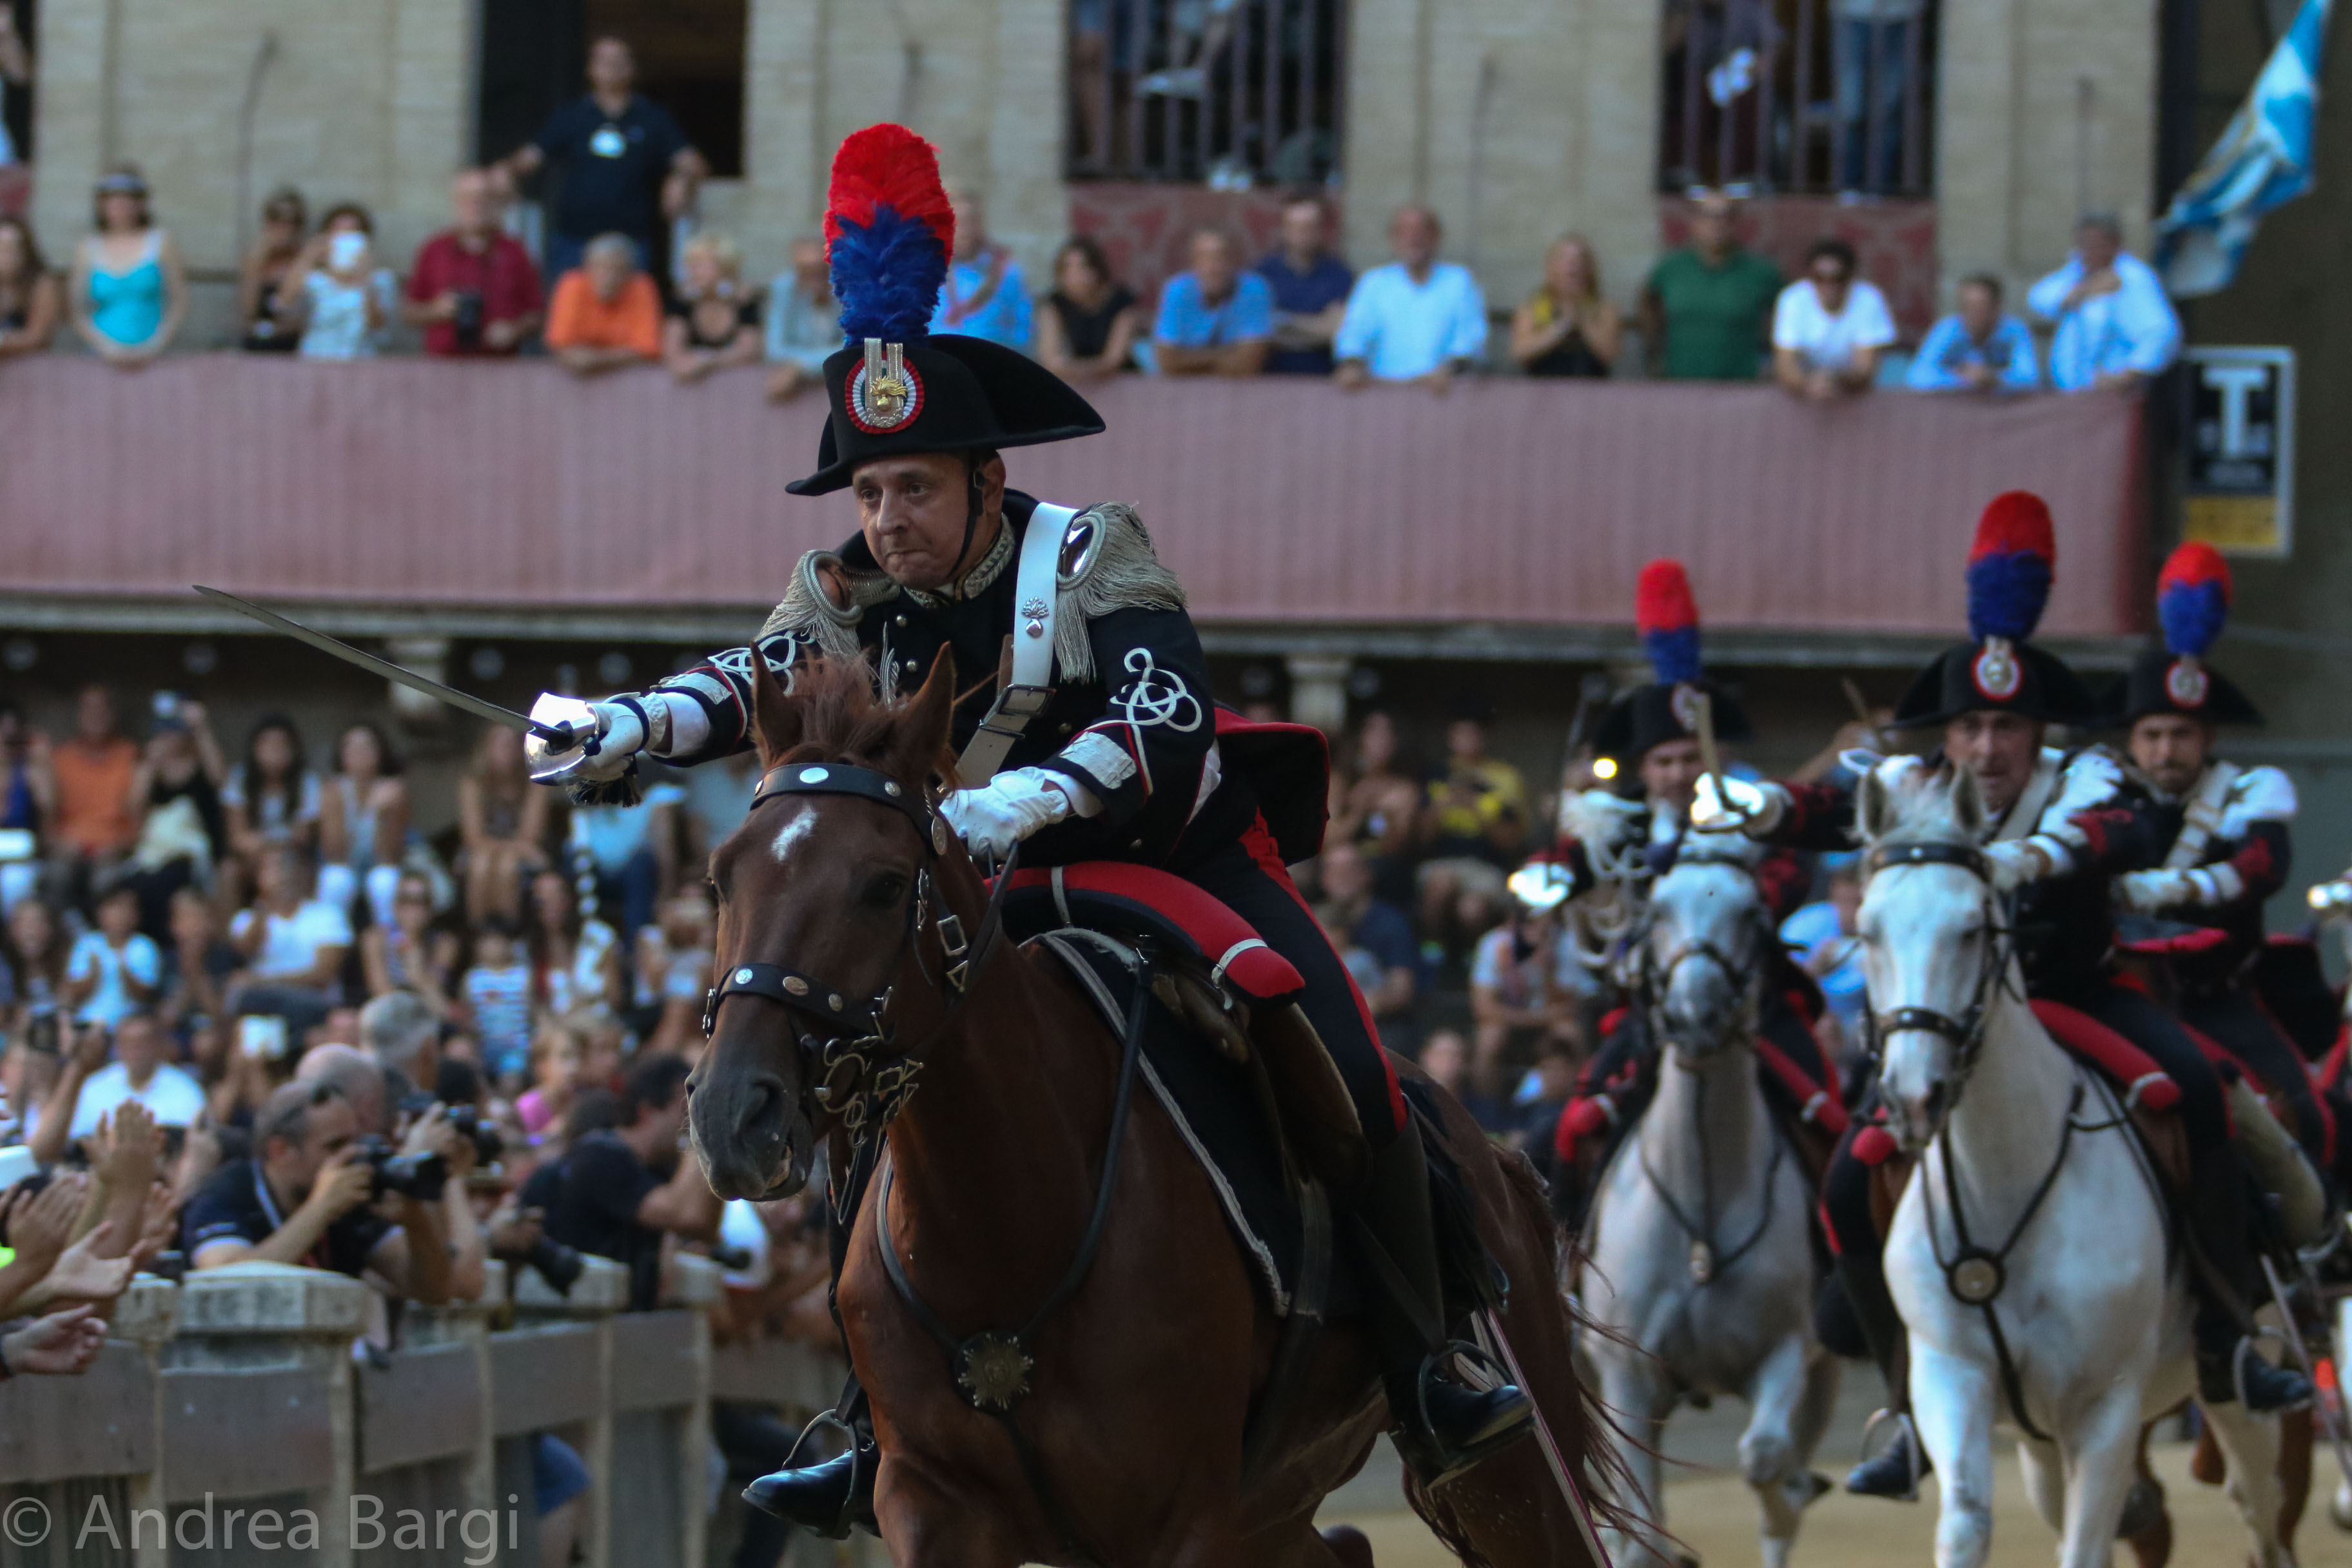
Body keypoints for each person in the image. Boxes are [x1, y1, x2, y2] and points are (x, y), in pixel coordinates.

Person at [533, 123, 1533, 1525]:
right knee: (866, 1069)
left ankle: (1438, 1355)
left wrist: (1024, 797)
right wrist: (619, 729)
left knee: (1340, 1044)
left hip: (1157, 858)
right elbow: (745, 682)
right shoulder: (839, 585)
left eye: (914, 488)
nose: (886, 519)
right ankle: (874, 1413)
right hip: (967, 888)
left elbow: (1161, 712)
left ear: (987, 484)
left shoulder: (1093, 548)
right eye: (869, 491)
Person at [1693, 492, 2315, 1496]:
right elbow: (1824, 806)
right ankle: (1903, 1406)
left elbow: (2120, 838)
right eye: (1974, 724)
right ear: (1953, 729)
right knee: (1851, 1181)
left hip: (2079, 996)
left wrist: (2020, 860)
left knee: (2197, 1091)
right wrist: (1753, 803)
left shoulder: (2088, 775)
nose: (1989, 746)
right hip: (1950, 1023)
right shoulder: (1915, 781)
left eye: (2010, 726)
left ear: (2038, 730)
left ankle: (2227, 1341)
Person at [2104, 544, 2330, 1168]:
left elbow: (2263, 866)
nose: (2166, 749)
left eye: (2182, 735)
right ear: (2132, 739)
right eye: (2152, 735)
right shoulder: (2105, 797)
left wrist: (2160, 892)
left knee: (2307, 1120)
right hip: (2124, 994)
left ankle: (2298, 1252)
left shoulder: (2249, 791)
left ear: (2207, 738)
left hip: (2220, 998)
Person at [181, 1079, 453, 1304]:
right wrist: (321, 1209)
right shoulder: (227, 1193)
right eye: (335, 1146)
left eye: (354, 1141)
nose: (352, 1156)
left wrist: (416, 1222)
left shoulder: (353, 1193)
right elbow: (224, 1286)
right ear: (281, 1151)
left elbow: (435, 1293)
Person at [492, 34, 705, 282]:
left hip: (630, 243)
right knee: (567, 314)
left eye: (619, 61)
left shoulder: (652, 118)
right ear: (591, 69)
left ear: (632, 68)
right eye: (604, 61)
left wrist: (681, 178)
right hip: (574, 241)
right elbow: (530, 158)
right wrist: (504, 171)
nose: (611, 67)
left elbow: (692, 162)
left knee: (630, 317)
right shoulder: (572, 116)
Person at [524, 1052, 720, 1309]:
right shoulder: (601, 1155)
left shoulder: (657, 1168)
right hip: (572, 1319)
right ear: (648, 1110)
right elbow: (680, 1214)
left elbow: (702, 1224)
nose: (688, 1123)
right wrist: (700, 1133)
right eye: (686, 1110)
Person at [1332, 206, 1487, 392]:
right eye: (1404, 232)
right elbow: (1355, 332)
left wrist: (1450, 369)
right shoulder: (1374, 282)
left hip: (1441, 393)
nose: (1414, 239)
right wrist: (1351, 364)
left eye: (1422, 231)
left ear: (1436, 237)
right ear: (1393, 239)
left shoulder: (1459, 281)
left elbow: (1470, 338)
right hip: (1381, 392)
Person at [1412, 703, 1527, 953]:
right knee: (1440, 885)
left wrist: (1475, 808)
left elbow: (1512, 841)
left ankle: (1470, 960)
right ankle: (1434, 952)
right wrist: (1443, 805)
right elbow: (1420, 837)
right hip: (1442, 860)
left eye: (1472, 734)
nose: (1466, 741)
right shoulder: (1436, 774)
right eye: (1459, 735)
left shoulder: (1504, 778)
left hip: (1486, 865)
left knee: (1472, 909)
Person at [2026, 213, 2182, 393]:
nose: (2087, 251)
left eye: (2094, 244)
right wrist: (2085, 291)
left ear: (2114, 243)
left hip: (2111, 392)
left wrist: (2129, 375)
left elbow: (2160, 332)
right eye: (2082, 244)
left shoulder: (2132, 277)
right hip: (2073, 394)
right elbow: (2038, 298)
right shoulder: (2077, 271)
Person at [1640, 190, 1781, 381]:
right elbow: (1648, 302)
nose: (1717, 224)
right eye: (1709, 217)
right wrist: (1652, 353)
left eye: (1726, 217)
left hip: (1740, 386)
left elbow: (1789, 312)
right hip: (1679, 383)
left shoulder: (1760, 272)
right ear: (1694, 222)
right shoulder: (1671, 268)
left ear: (1736, 223)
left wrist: (1773, 360)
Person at [403, 170, 544, 358]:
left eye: (484, 198)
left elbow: (538, 314)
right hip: (442, 366)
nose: (475, 206)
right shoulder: (434, 250)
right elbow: (409, 312)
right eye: (467, 198)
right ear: (456, 202)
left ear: (495, 202)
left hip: (499, 366)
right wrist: (436, 310)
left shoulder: (515, 252)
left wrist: (514, 330)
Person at [228, 844, 352, 1041]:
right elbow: (245, 951)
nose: (281, 875)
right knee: (248, 1025)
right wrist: (264, 906)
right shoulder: (245, 919)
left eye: (286, 866)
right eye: (272, 868)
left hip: (313, 1005)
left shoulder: (326, 915)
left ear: (301, 872)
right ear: (259, 877)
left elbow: (323, 975)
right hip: (263, 1008)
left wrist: (266, 981)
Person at [68, 165, 187, 368]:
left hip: (154, 355)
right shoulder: (88, 248)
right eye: (113, 200)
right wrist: (105, 347)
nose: (120, 206)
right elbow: (76, 309)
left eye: (128, 200)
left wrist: (155, 345)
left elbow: (179, 301)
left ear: (141, 205)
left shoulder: (160, 243)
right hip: (101, 355)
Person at [1314, 841, 1418, 1054]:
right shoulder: (1309, 920)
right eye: (1334, 870)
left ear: (1366, 875)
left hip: (1379, 1024)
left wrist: (1363, 1005)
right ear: (1323, 879)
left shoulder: (1390, 923)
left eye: (1350, 870)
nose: (1341, 877)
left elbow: (1402, 989)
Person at [48, 685, 141, 905]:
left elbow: (139, 818)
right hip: (69, 847)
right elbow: (48, 819)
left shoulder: (130, 755)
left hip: (114, 849)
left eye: (102, 708)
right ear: (79, 714)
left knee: (106, 881)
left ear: (113, 714)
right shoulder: (61, 758)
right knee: (55, 876)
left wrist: (119, 846)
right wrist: (60, 844)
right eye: (89, 709)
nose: (96, 716)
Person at [1771, 236, 1895, 400]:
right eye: (1820, 278)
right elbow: (1785, 363)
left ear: (1851, 276)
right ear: (1809, 278)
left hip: (1855, 394)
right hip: (1804, 392)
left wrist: (1835, 380)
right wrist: (1806, 384)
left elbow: (1866, 368)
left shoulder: (1869, 299)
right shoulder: (1793, 299)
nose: (1829, 286)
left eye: (1838, 278)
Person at [317, 721, 409, 932]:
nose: (359, 753)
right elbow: (334, 854)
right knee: (336, 879)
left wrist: (379, 814)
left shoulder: (394, 790)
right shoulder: (332, 789)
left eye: (367, 747)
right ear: (342, 754)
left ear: (380, 752)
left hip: (379, 863)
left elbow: (389, 857)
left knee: (385, 881)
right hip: (344, 863)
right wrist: (343, 808)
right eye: (352, 747)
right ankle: (330, 944)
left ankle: (391, 949)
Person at [458, 725, 549, 925]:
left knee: (507, 864)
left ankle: (509, 935)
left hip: (522, 855)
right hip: (482, 853)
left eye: (512, 743)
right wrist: (503, 850)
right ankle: (481, 937)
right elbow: (473, 838)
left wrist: (505, 851)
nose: (507, 749)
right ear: (486, 748)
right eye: (499, 743)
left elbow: (530, 837)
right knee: (481, 863)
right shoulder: (473, 783)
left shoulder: (535, 783)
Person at [1150, 228, 1272, 377]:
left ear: (1234, 260)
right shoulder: (1177, 290)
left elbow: (1248, 364)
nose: (1213, 268)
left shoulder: (1255, 289)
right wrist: (1230, 355)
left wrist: (1186, 360)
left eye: (1221, 258)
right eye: (1204, 258)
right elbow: (1167, 361)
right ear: (1193, 262)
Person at [65, 1010, 203, 1140]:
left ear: (160, 1045)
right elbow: (79, 1138)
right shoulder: (94, 1087)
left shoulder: (186, 1090)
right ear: (117, 1047)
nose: (136, 1052)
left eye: (142, 1044)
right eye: (129, 1044)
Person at [1255, 195, 1353, 377]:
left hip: (1324, 380)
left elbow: (1336, 330)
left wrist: (1284, 320)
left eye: (1310, 226)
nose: (1302, 233)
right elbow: (1258, 334)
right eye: (1295, 226)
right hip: (1270, 380)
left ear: (1321, 230)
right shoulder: (1262, 275)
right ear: (1284, 230)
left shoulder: (1340, 276)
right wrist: (1314, 327)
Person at [926, 183, 1030, 349]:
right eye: (955, 222)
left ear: (981, 224)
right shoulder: (923, 274)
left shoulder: (1006, 272)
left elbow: (1024, 332)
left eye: (970, 221)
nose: (963, 230)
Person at [545, 233, 663, 375]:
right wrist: (621, 355)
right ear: (587, 267)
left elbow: (648, 349)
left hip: (630, 381)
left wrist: (595, 360)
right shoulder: (572, 285)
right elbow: (560, 344)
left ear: (630, 273)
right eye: (601, 268)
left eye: (618, 269)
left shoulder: (642, 287)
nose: (609, 278)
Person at [1905, 272, 2041, 393]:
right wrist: (1961, 379)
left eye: (1980, 307)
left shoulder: (2015, 331)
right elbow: (1917, 377)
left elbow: (2030, 379)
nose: (1972, 314)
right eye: (1966, 306)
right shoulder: (1947, 329)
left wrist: (1994, 379)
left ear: (1997, 307)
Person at [1510, 234, 1620, 378]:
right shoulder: (1533, 307)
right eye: (1565, 260)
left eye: (1580, 260)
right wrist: (1561, 326)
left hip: (1592, 390)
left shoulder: (1603, 308)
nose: (1574, 266)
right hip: (1542, 390)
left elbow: (1610, 354)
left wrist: (1583, 319)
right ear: (1551, 267)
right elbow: (1520, 353)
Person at [1034, 235, 1141, 382]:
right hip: (1076, 382)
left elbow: (1114, 360)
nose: (1074, 278)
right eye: (1067, 270)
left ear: (1097, 271)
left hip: (1121, 382)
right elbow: (1050, 357)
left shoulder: (1121, 303)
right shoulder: (1055, 304)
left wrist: (1073, 369)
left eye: (1081, 268)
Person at [662, 233, 763, 384]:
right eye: (692, 265)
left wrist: (706, 361)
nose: (695, 272)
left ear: (727, 268)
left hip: (736, 388)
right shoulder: (682, 301)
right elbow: (672, 351)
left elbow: (749, 350)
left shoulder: (744, 301)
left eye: (703, 265)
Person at [222, 713, 320, 868]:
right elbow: (238, 838)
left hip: (293, 857)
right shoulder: (239, 779)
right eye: (267, 744)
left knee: (276, 867)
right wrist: (269, 843)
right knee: (228, 869)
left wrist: (267, 843)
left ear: (294, 750)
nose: (274, 751)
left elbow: (303, 835)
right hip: (251, 857)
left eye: (281, 745)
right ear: (255, 748)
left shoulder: (307, 782)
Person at [525, 868, 621, 1018]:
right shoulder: (531, 950)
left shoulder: (598, 936)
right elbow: (538, 1010)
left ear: (570, 899)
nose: (552, 906)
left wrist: (583, 1004)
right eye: (543, 900)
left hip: (600, 1024)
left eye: (557, 897)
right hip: (558, 1029)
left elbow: (616, 998)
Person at [63, 884, 161, 1030]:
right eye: (114, 908)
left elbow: (145, 996)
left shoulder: (144, 946)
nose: (121, 914)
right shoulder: (87, 943)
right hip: (88, 1023)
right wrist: (94, 973)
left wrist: (123, 968)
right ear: (100, 913)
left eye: (128, 908)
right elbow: (74, 992)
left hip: (128, 1025)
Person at [362, 870, 456, 1019]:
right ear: (395, 905)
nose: (413, 908)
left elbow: (438, 1002)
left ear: (431, 907)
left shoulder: (444, 943)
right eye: (405, 900)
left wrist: (417, 973)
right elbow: (381, 992)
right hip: (389, 1016)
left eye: (420, 901)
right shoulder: (376, 938)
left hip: (429, 1015)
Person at [763, 236, 838, 401]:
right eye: (804, 269)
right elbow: (774, 346)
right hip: (794, 387)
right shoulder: (783, 289)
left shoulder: (851, 291)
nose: (813, 276)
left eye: (819, 268)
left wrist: (800, 366)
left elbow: (854, 347)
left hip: (841, 383)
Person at [461, 920, 534, 1085]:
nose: (493, 947)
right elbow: (467, 1014)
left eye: (498, 941)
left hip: (516, 1047)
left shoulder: (522, 977)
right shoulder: (472, 979)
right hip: (483, 1046)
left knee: (511, 1079)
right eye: (487, 941)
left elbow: (532, 1013)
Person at [237, 188, 309, 353]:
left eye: (293, 221)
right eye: (277, 219)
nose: (284, 227)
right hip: (258, 345)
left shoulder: (306, 260)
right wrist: (257, 260)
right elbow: (247, 312)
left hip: (296, 346)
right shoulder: (256, 259)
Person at [0, 213, 59, 360]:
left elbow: (36, 338)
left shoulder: (42, 283)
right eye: (1, 248)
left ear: (26, 250)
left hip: (30, 367)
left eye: (13, 248)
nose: (7, 255)